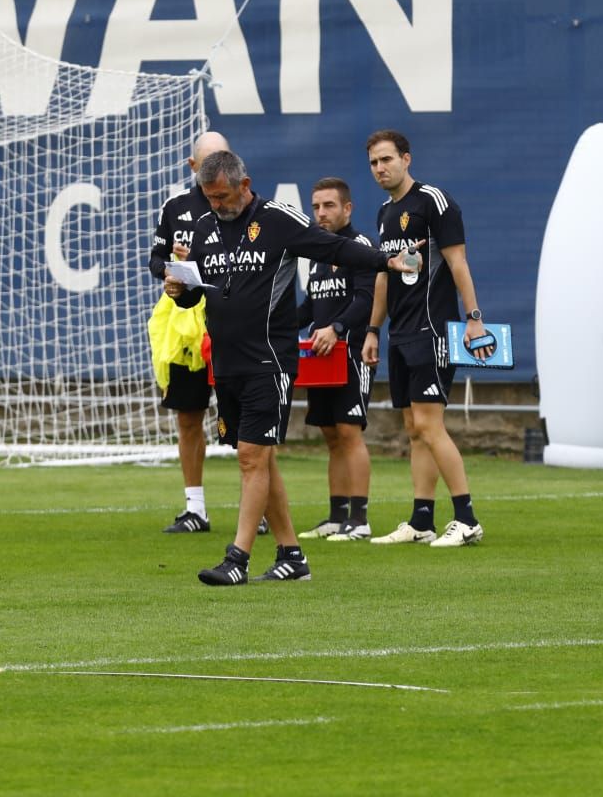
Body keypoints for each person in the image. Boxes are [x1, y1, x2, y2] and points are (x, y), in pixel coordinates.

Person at [164, 151, 410, 586]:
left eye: (222, 196)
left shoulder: (277, 220)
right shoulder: (203, 228)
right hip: (226, 362)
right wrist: (178, 289)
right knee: (261, 460)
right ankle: (292, 556)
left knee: (251, 458)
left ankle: (237, 559)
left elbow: (334, 247)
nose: (216, 205)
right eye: (209, 197)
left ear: (245, 184)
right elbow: (195, 295)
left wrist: (385, 262)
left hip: (269, 360)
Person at [361, 129, 495, 547]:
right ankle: (422, 520)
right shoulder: (385, 213)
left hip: (432, 329)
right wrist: (372, 330)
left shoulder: (434, 202)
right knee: (413, 428)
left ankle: (467, 518)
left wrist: (474, 319)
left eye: (387, 159)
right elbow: (384, 276)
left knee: (429, 424)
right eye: (373, 163)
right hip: (399, 333)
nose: (380, 168)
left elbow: (458, 264)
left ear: (406, 159)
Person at [149, 130, 231, 534]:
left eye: (223, 159)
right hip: (184, 325)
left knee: (247, 418)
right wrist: (170, 271)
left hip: (230, 321)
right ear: (193, 166)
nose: (216, 169)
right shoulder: (176, 207)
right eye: (208, 162)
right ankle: (195, 508)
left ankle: (265, 509)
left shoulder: (245, 205)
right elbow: (155, 258)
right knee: (188, 415)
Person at [292, 177, 378, 542]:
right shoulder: (317, 253)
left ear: (347, 208)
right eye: (316, 207)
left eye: (329, 205)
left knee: (348, 431)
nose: (321, 213)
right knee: (330, 435)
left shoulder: (359, 246)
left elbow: (366, 299)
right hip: (321, 357)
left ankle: (359, 519)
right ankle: (336, 514)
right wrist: (273, 327)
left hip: (353, 354)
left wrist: (338, 328)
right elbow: (311, 307)